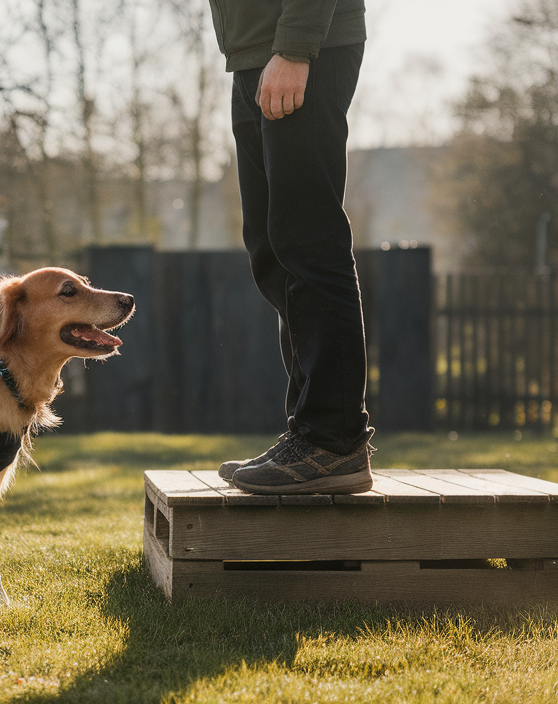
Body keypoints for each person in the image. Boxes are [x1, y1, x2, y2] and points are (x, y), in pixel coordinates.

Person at [208, 0, 374, 494]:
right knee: (272, 248)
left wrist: (295, 47)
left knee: (308, 240)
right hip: (254, 54)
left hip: (300, 48)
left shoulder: (297, 50)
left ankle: (334, 439)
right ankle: (308, 434)